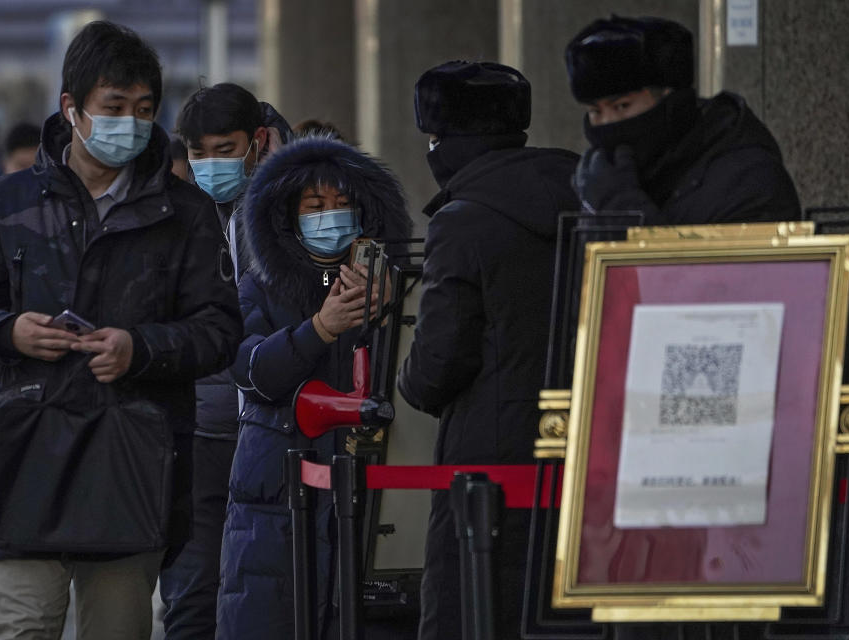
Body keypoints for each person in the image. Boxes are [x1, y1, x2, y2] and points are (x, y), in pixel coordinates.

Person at [0, 21, 241, 640]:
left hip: (131, 463)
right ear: (71, 109)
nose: (129, 122)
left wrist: (142, 348)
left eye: (144, 109)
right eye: (114, 107)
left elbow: (218, 328)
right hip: (30, 460)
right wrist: (8, 333)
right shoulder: (8, 202)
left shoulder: (183, 213)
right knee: (21, 627)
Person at [397, 60, 581, 640]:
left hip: (490, 464)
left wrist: (405, 379)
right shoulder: (589, 200)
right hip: (584, 452)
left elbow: (439, 361)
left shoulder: (462, 222)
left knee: (472, 609)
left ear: (447, 141)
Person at [216, 135, 411, 639]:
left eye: (343, 204)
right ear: (288, 215)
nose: (331, 216)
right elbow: (254, 372)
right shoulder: (259, 287)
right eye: (315, 205)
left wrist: (398, 311)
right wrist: (319, 328)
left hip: (369, 496)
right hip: (277, 500)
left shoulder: (397, 284)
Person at [158, 82, 291, 640]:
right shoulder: (177, 217)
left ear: (257, 142)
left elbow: (333, 279)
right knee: (191, 598)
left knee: (264, 596)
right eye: (198, 152)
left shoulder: (293, 207)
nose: (209, 164)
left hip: (273, 429)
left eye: (223, 148)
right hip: (198, 433)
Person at [566, 15, 800, 224]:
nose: (607, 122)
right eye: (595, 111)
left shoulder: (749, 180)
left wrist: (619, 209)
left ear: (671, 101)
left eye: (622, 106)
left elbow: (712, 271)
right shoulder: (607, 177)